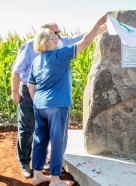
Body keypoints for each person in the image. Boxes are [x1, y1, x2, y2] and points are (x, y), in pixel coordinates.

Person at [28, 15, 107, 186]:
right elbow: (85, 42)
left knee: (40, 140)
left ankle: (37, 175)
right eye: (54, 35)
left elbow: (31, 86)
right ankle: (55, 179)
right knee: (58, 141)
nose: (58, 36)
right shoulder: (60, 55)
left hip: (40, 106)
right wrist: (99, 23)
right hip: (57, 106)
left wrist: (38, 102)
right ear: (48, 42)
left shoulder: (36, 61)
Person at [11, 23, 83, 178]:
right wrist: (14, 92)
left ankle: (41, 165)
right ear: (45, 35)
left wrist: (101, 28)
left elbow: (79, 38)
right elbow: (16, 71)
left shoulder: (59, 43)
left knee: (43, 132)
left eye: (59, 32)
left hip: (44, 94)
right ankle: (24, 161)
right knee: (27, 128)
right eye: (55, 32)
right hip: (29, 92)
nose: (59, 35)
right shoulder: (29, 46)